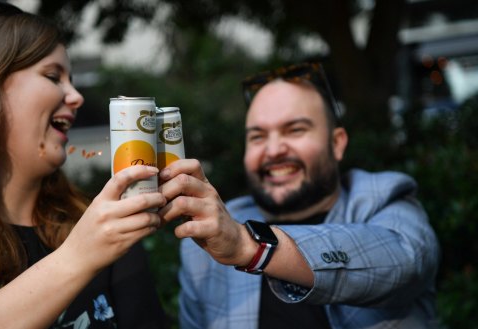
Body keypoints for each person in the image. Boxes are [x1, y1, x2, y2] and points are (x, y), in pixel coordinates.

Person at [0, 1, 169, 328]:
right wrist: (77, 258)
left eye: (72, 79)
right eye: (53, 76)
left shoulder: (100, 227)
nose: (76, 96)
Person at [157, 62, 440, 328]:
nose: (274, 149)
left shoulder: (383, 198)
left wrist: (250, 247)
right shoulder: (206, 243)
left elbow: (405, 262)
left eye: (295, 130)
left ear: (337, 143)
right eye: (258, 136)